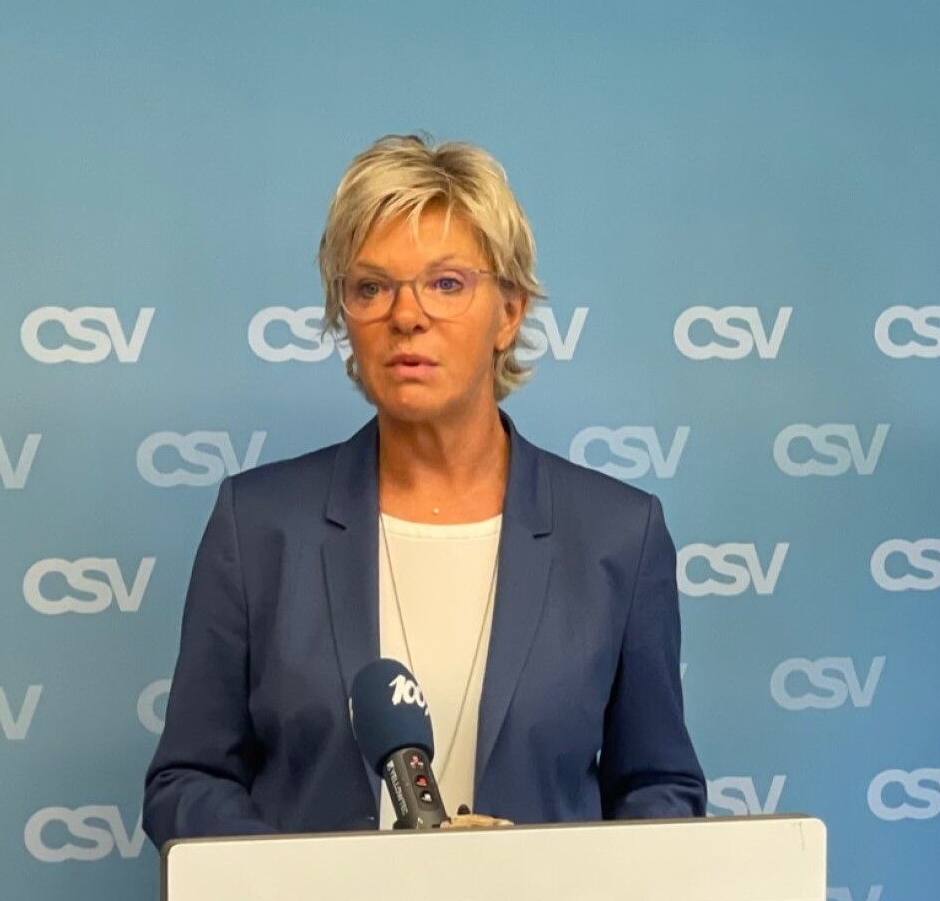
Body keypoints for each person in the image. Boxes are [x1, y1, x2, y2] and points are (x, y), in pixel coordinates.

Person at [142, 133, 705, 846]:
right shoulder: (257, 527)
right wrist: (301, 883)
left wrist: (561, 880)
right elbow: (188, 783)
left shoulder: (618, 534)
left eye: (445, 284)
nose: (406, 316)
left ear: (509, 312)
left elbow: (658, 788)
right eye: (371, 287)